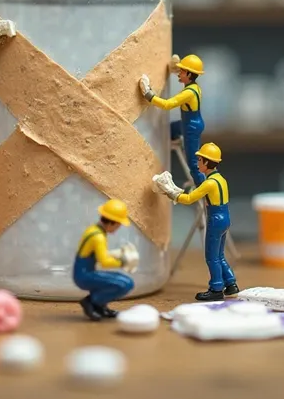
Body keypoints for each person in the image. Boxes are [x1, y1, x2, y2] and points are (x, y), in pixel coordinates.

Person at [156, 142, 239, 302]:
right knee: (220, 255)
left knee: (211, 257)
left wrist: (172, 194)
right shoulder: (221, 179)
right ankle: (231, 284)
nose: (198, 163)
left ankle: (216, 288)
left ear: (207, 162)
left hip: (215, 218)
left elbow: (189, 199)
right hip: (225, 217)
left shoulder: (208, 183)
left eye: (200, 160)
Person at [140, 54, 205, 187]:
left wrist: (149, 95)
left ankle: (201, 187)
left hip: (190, 127)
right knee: (169, 130)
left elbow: (168, 104)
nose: (179, 74)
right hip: (192, 123)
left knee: (193, 162)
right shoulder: (195, 87)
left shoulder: (189, 93)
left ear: (189, 74)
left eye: (181, 71)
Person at [73, 199, 136, 321]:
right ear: (112, 223)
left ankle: (100, 306)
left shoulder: (93, 229)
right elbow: (104, 262)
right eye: (118, 225)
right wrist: (123, 262)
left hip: (84, 271)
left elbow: (97, 254)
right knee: (125, 284)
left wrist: (117, 254)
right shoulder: (99, 237)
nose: (118, 228)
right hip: (84, 275)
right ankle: (92, 302)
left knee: (122, 280)